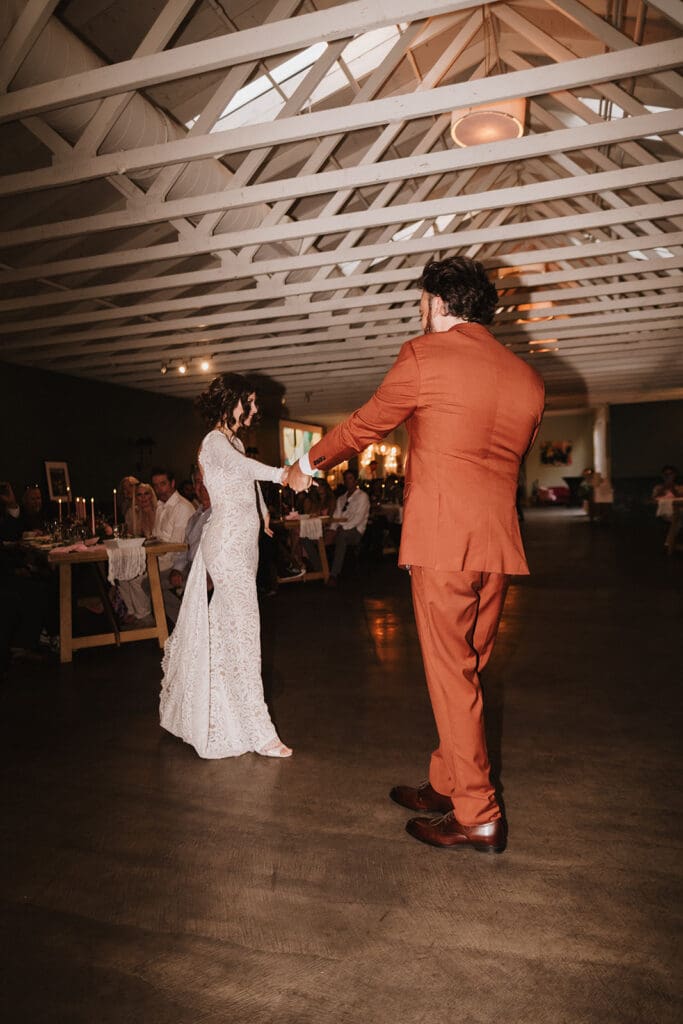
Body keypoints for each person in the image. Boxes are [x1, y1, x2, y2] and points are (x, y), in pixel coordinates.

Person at [288, 255, 545, 854]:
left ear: (437, 301)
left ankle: (478, 814)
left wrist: (306, 463)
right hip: (498, 546)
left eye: (420, 301)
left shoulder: (423, 355)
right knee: (468, 671)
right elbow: (509, 460)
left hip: (442, 543)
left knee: (451, 677)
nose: (418, 311)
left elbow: (365, 426)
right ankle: (448, 781)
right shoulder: (529, 380)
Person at [160, 373, 293, 759]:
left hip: (244, 544)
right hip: (227, 546)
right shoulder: (215, 442)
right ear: (231, 402)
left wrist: (265, 512)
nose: (254, 409)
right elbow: (248, 470)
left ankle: (209, 707)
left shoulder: (232, 442)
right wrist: (285, 474)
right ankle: (260, 731)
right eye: (248, 402)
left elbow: (244, 480)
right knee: (247, 630)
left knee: (227, 627)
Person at [150, 466, 195, 623]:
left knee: (148, 583)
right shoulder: (160, 506)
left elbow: (177, 547)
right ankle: (181, 623)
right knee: (131, 578)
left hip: (179, 563)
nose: (159, 489)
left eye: (163, 484)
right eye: (155, 485)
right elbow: (157, 537)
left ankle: (184, 623)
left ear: (172, 483)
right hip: (161, 560)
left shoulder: (182, 507)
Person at [168, 468, 212, 595]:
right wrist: (177, 569)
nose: (202, 486)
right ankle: (179, 613)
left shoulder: (222, 514)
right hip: (190, 567)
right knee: (150, 584)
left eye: (206, 481)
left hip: (210, 571)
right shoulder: (194, 517)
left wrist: (210, 573)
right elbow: (185, 548)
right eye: (198, 482)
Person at [323, 469, 370, 586]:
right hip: (342, 528)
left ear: (355, 481)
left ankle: (334, 574)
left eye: (350, 479)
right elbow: (336, 517)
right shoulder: (341, 499)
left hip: (356, 531)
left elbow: (358, 519)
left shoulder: (362, 497)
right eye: (346, 479)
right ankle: (321, 569)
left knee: (342, 536)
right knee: (319, 536)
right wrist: (332, 530)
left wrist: (341, 529)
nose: (348, 481)